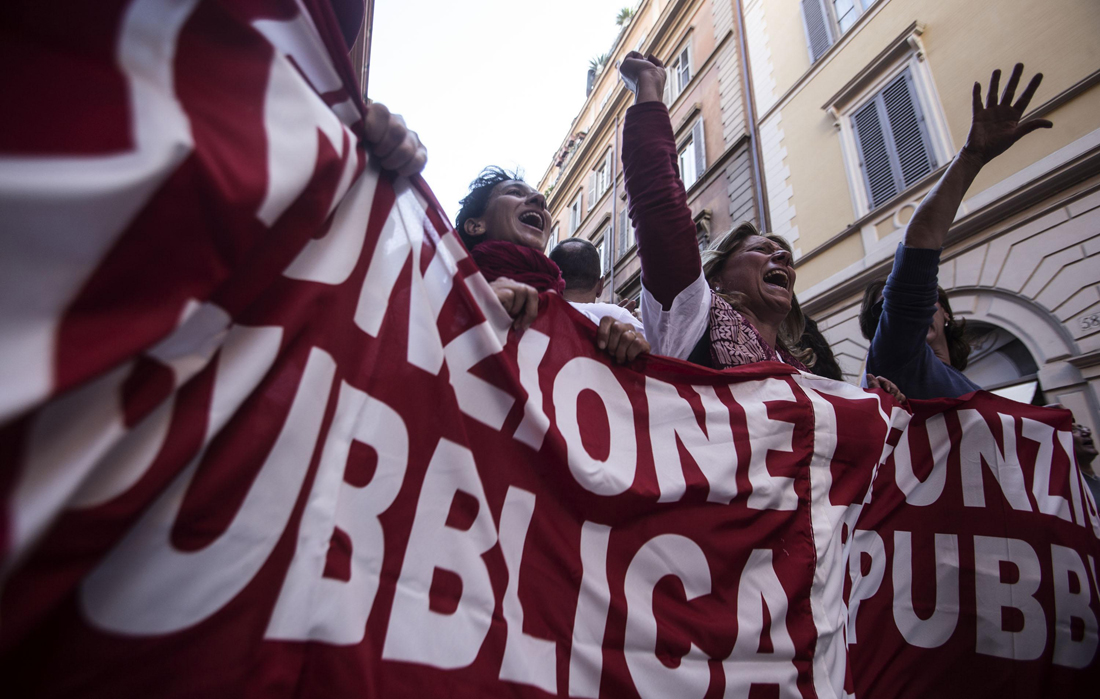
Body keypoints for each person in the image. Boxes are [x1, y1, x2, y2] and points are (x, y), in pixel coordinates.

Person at [617, 52, 904, 400]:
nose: (783, 256)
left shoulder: (803, 376)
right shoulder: (692, 317)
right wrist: (649, 84)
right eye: (761, 250)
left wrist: (877, 406)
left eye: (783, 255)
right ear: (716, 277)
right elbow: (658, 202)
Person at [862, 64, 1051, 400]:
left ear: (945, 312)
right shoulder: (897, 361)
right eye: (886, 309)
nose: (899, 309)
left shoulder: (968, 392)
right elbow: (919, 245)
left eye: (903, 300)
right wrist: (972, 157)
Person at [456, 167, 650, 364]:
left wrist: (635, 354)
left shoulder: (591, 327)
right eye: (514, 192)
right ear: (476, 226)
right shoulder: (447, 292)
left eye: (544, 203)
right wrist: (469, 308)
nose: (540, 198)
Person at [548, 238, 644, 332]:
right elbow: (652, 346)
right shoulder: (617, 317)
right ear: (600, 286)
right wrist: (641, 325)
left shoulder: (538, 315)